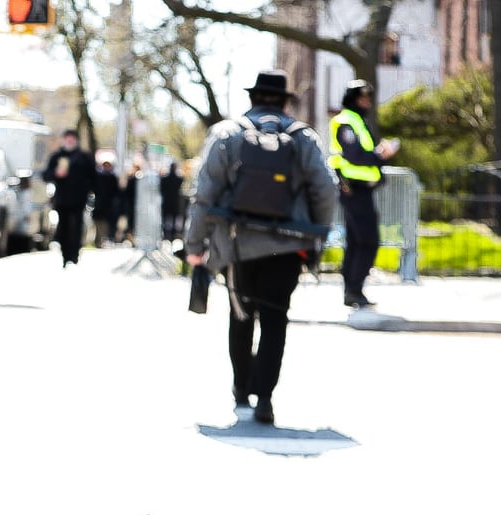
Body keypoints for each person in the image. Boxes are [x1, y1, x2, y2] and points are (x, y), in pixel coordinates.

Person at [184, 69, 338, 425]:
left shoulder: (227, 134)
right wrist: (317, 233)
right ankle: (265, 397)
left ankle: (241, 389)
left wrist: (195, 244)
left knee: (241, 316)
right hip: (288, 247)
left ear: (252, 98)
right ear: (285, 101)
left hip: (238, 244)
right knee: (275, 319)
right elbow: (325, 189)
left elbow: (204, 193)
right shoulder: (304, 138)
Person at [328, 79, 399, 308]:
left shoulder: (357, 120)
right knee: (368, 241)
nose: (366, 103)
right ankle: (354, 289)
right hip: (353, 189)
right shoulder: (346, 121)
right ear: (352, 99)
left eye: (368, 98)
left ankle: (352, 291)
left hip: (360, 190)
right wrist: (381, 155)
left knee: (356, 242)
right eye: (362, 98)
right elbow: (354, 156)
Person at [42, 128, 95, 267]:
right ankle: (65, 255)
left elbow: (93, 177)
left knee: (76, 227)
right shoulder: (57, 156)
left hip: (78, 200)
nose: (70, 141)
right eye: (68, 138)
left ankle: (74, 255)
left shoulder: (84, 157)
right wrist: (56, 174)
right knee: (63, 227)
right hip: (62, 200)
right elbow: (46, 175)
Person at [92, 156, 121, 246]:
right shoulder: (98, 176)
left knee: (106, 223)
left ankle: (103, 239)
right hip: (99, 204)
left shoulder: (112, 177)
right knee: (98, 222)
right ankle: (98, 239)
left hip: (108, 205)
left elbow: (116, 191)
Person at [159, 161, 184, 245]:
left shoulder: (165, 179)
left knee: (166, 219)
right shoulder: (178, 179)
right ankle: (172, 235)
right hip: (174, 202)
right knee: (172, 219)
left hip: (167, 202)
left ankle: (166, 235)